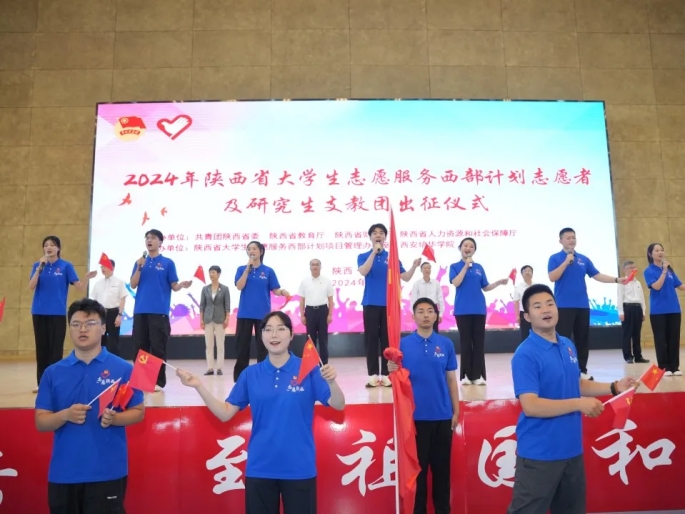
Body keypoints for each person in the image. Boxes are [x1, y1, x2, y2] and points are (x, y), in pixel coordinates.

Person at [177, 311, 345, 514]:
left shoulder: (308, 369)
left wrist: (332, 382)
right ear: (262, 336)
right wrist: (199, 386)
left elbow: (338, 404)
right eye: (268, 330)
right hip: (260, 468)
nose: (274, 335)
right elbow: (225, 413)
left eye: (281, 329)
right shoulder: (250, 374)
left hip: (299, 468)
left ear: (291, 335)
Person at [507, 284, 635, 514]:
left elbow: (575, 384)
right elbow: (531, 405)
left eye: (550, 303)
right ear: (527, 316)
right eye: (537, 306)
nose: (546, 310)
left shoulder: (567, 345)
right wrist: (578, 404)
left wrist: (615, 387)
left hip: (571, 451)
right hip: (539, 454)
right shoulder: (525, 354)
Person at [35, 298, 144, 514]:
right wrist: (65, 415)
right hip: (64, 474)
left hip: (107, 472)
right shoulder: (53, 372)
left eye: (90, 323)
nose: (82, 329)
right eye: (76, 324)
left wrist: (116, 418)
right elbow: (41, 422)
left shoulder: (123, 369)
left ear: (103, 328)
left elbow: (139, 412)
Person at [388, 298, 459, 514]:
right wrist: (392, 368)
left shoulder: (446, 344)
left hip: (442, 417)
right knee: (417, 474)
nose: (426, 315)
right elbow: (397, 379)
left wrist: (456, 410)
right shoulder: (402, 345)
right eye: (421, 311)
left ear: (436, 316)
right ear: (413, 316)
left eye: (430, 311)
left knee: (442, 473)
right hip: (414, 420)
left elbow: (451, 381)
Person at [547, 228, 625, 381]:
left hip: (582, 305)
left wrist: (616, 280)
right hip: (563, 306)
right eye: (568, 238)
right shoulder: (555, 258)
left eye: (573, 237)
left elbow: (597, 275)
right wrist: (566, 262)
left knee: (582, 339)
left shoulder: (583, 259)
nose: (572, 240)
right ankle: (562, 369)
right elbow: (552, 277)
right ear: (560, 240)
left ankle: (581, 369)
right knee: (562, 339)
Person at [28, 235, 96, 393]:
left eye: (52, 245)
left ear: (58, 248)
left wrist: (86, 278)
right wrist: (39, 269)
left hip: (57, 313)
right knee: (42, 348)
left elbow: (79, 287)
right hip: (39, 312)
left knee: (55, 349)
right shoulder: (38, 265)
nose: (48, 247)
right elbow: (31, 286)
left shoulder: (66, 266)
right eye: (46, 245)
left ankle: (55, 382)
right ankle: (42, 383)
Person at [357, 223, 420, 388]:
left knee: (387, 339)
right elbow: (363, 271)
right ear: (370, 237)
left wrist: (414, 266)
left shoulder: (392, 257)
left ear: (385, 237)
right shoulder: (363, 256)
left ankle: (386, 374)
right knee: (371, 340)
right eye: (375, 233)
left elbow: (405, 277)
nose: (378, 235)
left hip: (389, 305)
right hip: (370, 303)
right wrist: (373, 252)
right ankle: (372, 375)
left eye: (381, 233)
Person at [130, 229, 192, 392]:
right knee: (140, 348)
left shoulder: (167, 263)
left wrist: (181, 285)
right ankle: (141, 381)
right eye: (147, 238)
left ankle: (158, 381)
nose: (149, 240)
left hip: (159, 312)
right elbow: (133, 284)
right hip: (140, 311)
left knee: (158, 348)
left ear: (160, 242)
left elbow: (174, 286)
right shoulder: (139, 262)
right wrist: (139, 268)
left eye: (153, 238)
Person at [449, 237, 508, 385]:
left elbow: (485, 287)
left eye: (471, 246)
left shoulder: (479, 267)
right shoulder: (455, 266)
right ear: (460, 248)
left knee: (479, 343)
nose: (468, 248)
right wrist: (465, 266)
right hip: (462, 310)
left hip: (479, 309)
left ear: (474, 250)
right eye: (465, 245)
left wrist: (498, 283)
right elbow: (456, 282)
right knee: (465, 343)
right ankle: (466, 376)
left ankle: (477, 375)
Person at [234, 241, 290, 382]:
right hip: (245, 314)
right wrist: (247, 270)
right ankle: (240, 377)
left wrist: (282, 292)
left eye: (254, 248)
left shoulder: (268, 271)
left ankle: (264, 375)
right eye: (249, 249)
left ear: (261, 251)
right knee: (242, 347)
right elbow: (239, 286)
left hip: (262, 315)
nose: (251, 251)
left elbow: (275, 289)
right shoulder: (241, 269)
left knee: (263, 347)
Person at [644, 243, 683, 376]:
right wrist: (664, 271)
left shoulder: (670, 271)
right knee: (661, 339)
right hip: (658, 311)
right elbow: (656, 286)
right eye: (657, 250)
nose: (660, 252)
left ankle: (674, 367)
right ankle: (664, 367)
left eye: (662, 250)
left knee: (674, 338)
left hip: (674, 309)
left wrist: (666, 270)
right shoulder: (649, 271)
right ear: (650, 254)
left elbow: (680, 285)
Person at [298, 259, 334, 365]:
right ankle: (311, 364)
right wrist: (302, 315)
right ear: (310, 267)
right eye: (313, 265)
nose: (315, 266)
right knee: (310, 339)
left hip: (323, 311)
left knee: (323, 339)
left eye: (317, 265)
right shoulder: (305, 282)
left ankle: (324, 364)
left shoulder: (326, 281)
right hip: (310, 312)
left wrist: (330, 315)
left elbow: (331, 300)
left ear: (320, 267)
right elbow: (302, 300)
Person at [89, 259, 128, 356]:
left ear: (112, 268)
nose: (103, 269)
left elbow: (123, 299)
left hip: (113, 313)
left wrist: (119, 315)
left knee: (113, 341)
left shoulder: (119, 282)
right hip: (100, 314)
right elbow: (94, 300)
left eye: (105, 266)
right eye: (101, 267)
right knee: (100, 340)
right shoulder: (98, 283)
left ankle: (115, 362)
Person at [200, 265, 230, 376]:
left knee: (220, 344)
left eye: (213, 272)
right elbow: (202, 305)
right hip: (208, 319)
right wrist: (201, 319)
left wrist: (227, 318)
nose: (211, 274)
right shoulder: (205, 289)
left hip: (220, 319)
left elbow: (227, 305)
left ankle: (219, 368)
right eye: (210, 272)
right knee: (209, 345)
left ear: (218, 274)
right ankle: (210, 368)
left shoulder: (225, 289)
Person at [617, 260, 648, 364]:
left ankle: (638, 356)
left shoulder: (638, 283)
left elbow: (642, 298)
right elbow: (620, 298)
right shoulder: (622, 282)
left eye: (634, 268)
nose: (632, 270)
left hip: (637, 308)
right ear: (624, 269)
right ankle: (628, 356)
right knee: (627, 333)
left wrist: (643, 311)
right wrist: (621, 312)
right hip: (627, 308)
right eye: (630, 268)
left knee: (637, 333)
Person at [410, 262, 445, 333]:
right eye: (425, 268)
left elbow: (440, 299)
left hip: (433, 309)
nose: (427, 270)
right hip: (421, 309)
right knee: (422, 329)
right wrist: (413, 313)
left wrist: (441, 314)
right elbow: (413, 299)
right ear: (421, 270)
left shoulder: (436, 283)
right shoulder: (417, 283)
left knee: (434, 331)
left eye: (429, 268)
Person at [512, 265, 535, 342]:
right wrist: (517, 316)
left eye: (529, 271)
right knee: (525, 334)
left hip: (536, 313)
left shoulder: (536, 286)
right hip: (524, 314)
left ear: (532, 274)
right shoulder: (518, 287)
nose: (527, 272)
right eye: (525, 271)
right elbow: (516, 302)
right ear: (522, 274)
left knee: (537, 333)